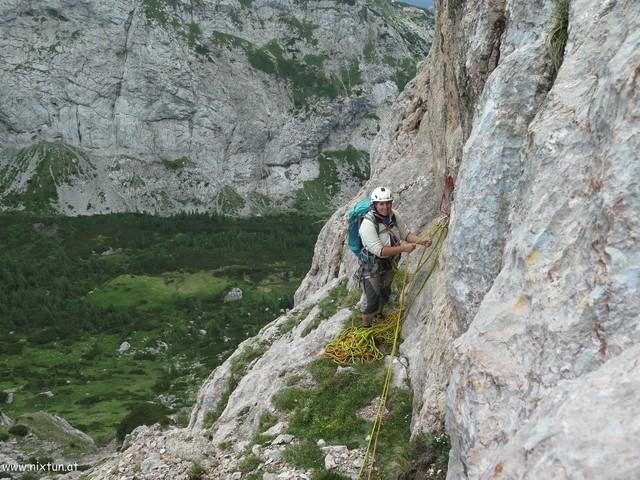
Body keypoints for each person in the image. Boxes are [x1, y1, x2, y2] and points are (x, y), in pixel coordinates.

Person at [358, 186, 431, 327]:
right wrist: (404, 248)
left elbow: (406, 234)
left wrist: (421, 241)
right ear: (374, 205)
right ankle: (366, 328)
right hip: (372, 264)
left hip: (389, 262)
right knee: (371, 299)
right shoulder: (368, 224)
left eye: (388, 203)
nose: (385, 207)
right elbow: (379, 250)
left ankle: (379, 315)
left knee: (384, 293)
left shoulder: (394, 215)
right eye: (381, 204)